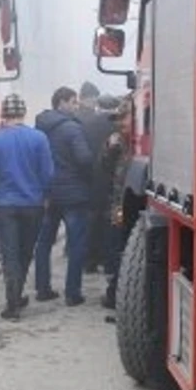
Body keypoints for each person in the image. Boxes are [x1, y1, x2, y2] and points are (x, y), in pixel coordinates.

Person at [0, 93, 54, 320]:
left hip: (5, 205)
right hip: (33, 204)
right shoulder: (39, 138)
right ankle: (18, 294)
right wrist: (45, 195)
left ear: (4, 114)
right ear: (23, 113)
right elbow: (48, 173)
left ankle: (12, 303)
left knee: (10, 254)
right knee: (25, 252)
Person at [34, 86, 96, 306]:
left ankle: (42, 289)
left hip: (49, 193)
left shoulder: (40, 127)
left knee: (43, 243)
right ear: (61, 102)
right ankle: (72, 293)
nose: (76, 106)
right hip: (73, 194)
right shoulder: (72, 129)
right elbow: (84, 159)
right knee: (77, 244)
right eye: (73, 102)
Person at [96, 95, 134, 310]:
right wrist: (110, 149)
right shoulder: (116, 141)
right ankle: (114, 295)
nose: (120, 123)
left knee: (124, 253)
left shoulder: (142, 142)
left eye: (123, 117)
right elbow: (105, 168)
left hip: (132, 206)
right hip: (120, 204)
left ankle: (116, 296)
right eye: (117, 119)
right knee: (119, 250)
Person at [75, 83, 116, 272]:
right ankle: (109, 262)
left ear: (99, 105)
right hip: (114, 180)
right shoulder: (119, 124)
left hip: (92, 178)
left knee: (91, 220)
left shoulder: (87, 124)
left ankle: (89, 261)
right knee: (112, 221)